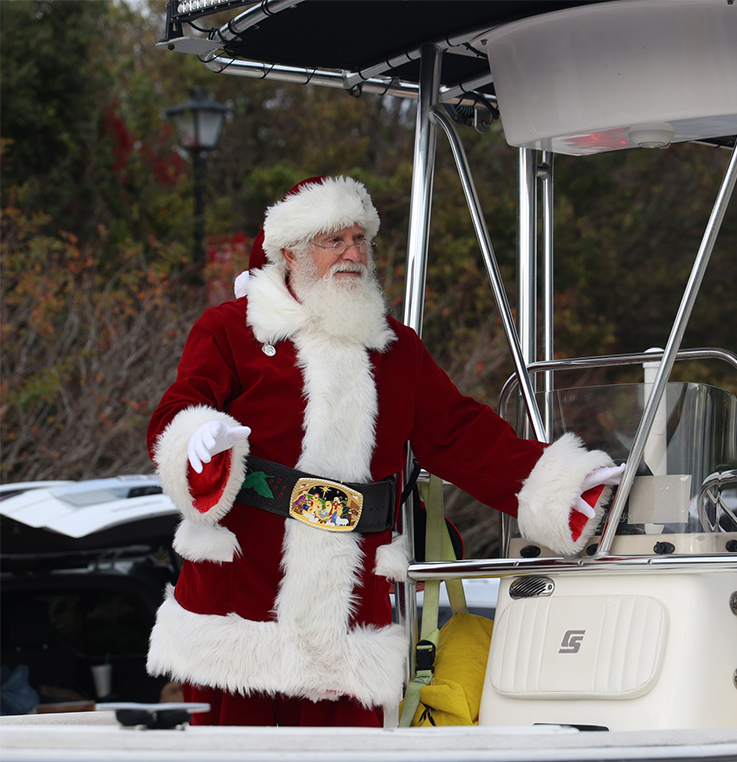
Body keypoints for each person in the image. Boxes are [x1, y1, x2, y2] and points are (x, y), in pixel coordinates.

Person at [146, 175, 622, 727]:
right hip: (241, 593)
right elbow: (176, 411)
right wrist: (196, 439)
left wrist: (557, 481)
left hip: (347, 606)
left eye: (360, 239)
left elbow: (459, 434)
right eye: (334, 241)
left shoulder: (396, 349)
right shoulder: (230, 330)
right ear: (290, 252)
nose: (352, 253)